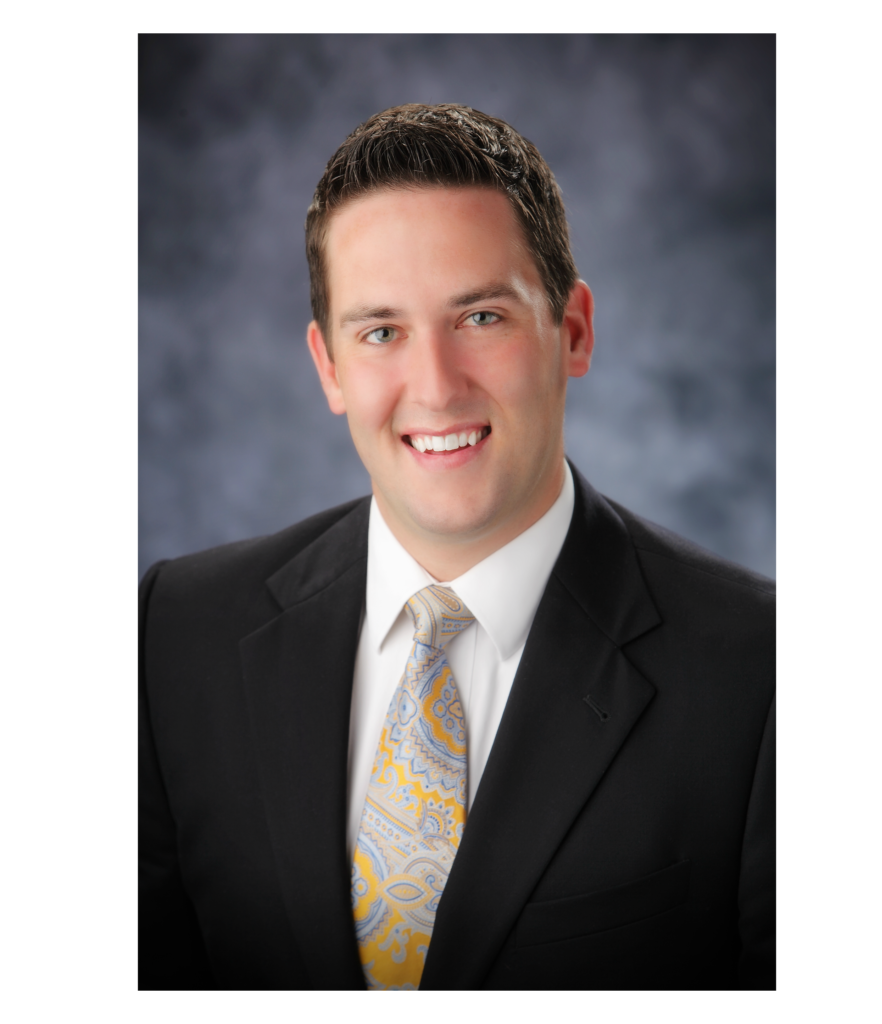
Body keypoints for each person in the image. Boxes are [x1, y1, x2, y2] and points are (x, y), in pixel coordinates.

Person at [138, 103, 775, 991]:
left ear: (574, 332)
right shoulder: (176, 635)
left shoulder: (760, 670)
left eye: (480, 317)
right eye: (382, 332)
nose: (435, 388)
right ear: (328, 366)